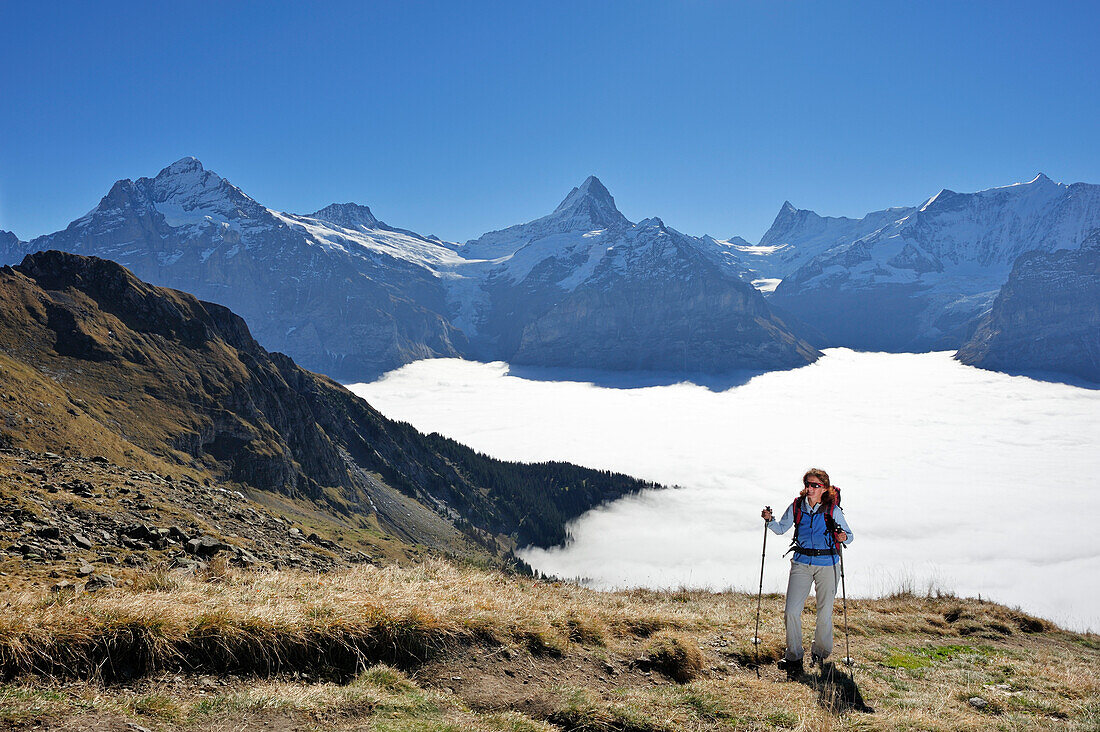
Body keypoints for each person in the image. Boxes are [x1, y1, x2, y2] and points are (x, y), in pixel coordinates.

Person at [761, 468, 853, 679]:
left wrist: (842, 537)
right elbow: (781, 528)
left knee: (824, 612)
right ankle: (793, 656)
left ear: (824, 489)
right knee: (791, 611)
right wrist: (769, 520)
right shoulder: (796, 506)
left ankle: (820, 653)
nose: (809, 489)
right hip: (801, 562)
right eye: (807, 485)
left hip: (828, 563)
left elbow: (850, 536)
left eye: (815, 485)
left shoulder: (832, 509)